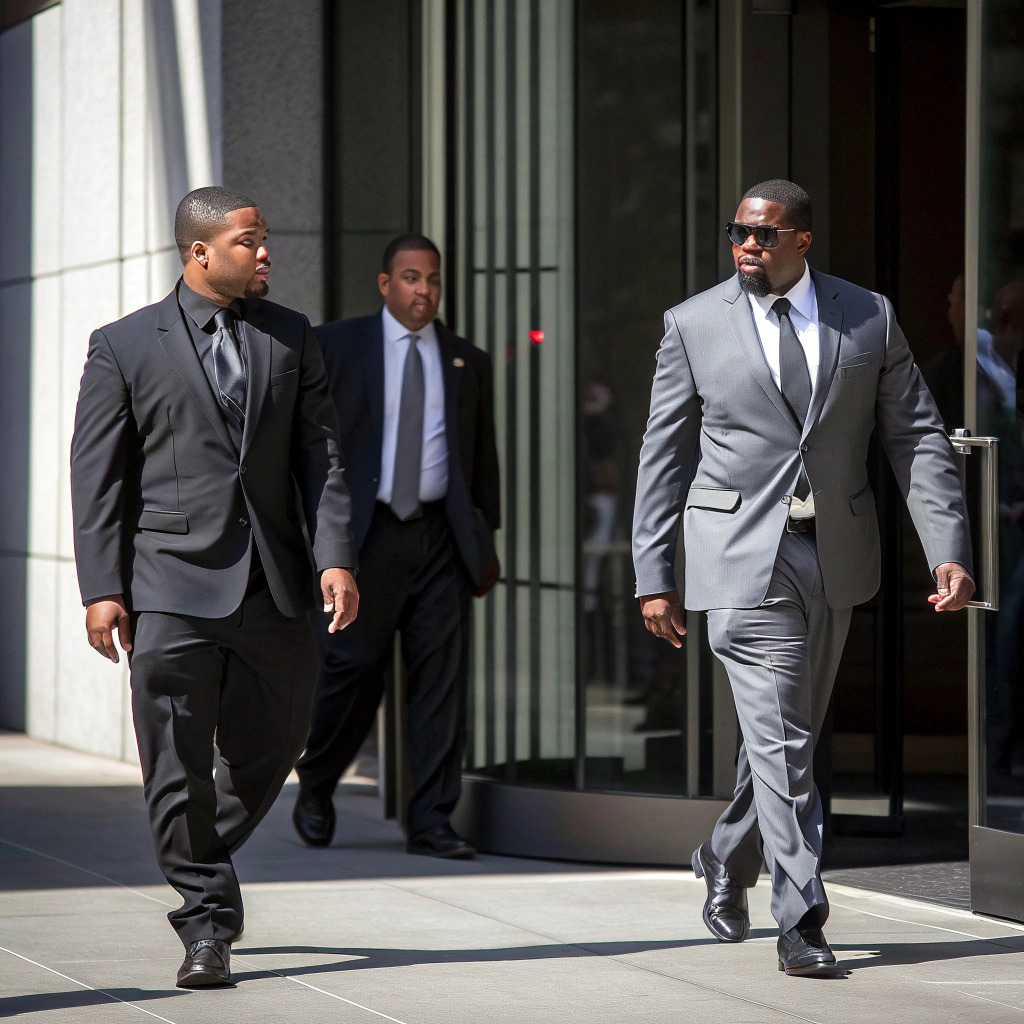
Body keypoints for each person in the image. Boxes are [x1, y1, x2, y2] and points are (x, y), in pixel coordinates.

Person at [632, 179, 974, 977]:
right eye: (738, 233)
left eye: (764, 234)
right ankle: (801, 919)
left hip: (835, 550)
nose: (747, 246)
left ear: (802, 241)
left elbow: (916, 436)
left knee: (787, 740)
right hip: (737, 556)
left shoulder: (867, 316)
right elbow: (662, 453)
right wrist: (655, 573)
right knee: (785, 740)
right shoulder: (692, 324)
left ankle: (723, 853)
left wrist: (946, 547)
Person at [71, 186, 359, 988]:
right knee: (176, 759)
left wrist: (335, 556)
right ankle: (206, 922)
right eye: (248, 241)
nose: (265, 253)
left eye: (264, 240)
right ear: (199, 252)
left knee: (279, 740)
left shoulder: (290, 334)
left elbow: (322, 456)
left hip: (274, 583)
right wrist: (102, 587)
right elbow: (97, 476)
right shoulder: (124, 345)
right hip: (167, 584)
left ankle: (194, 845)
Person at [292, 233, 500, 858]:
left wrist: (483, 542)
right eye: (411, 278)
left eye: (432, 279)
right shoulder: (336, 346)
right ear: (386, 284)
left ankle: (432, 822)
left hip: (440, 538)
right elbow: (309, 447)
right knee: (353, 669)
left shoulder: (466, 360)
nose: (424, 290)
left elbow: (481, 461)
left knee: (440, 683)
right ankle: (316, 782)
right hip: (367, 535)